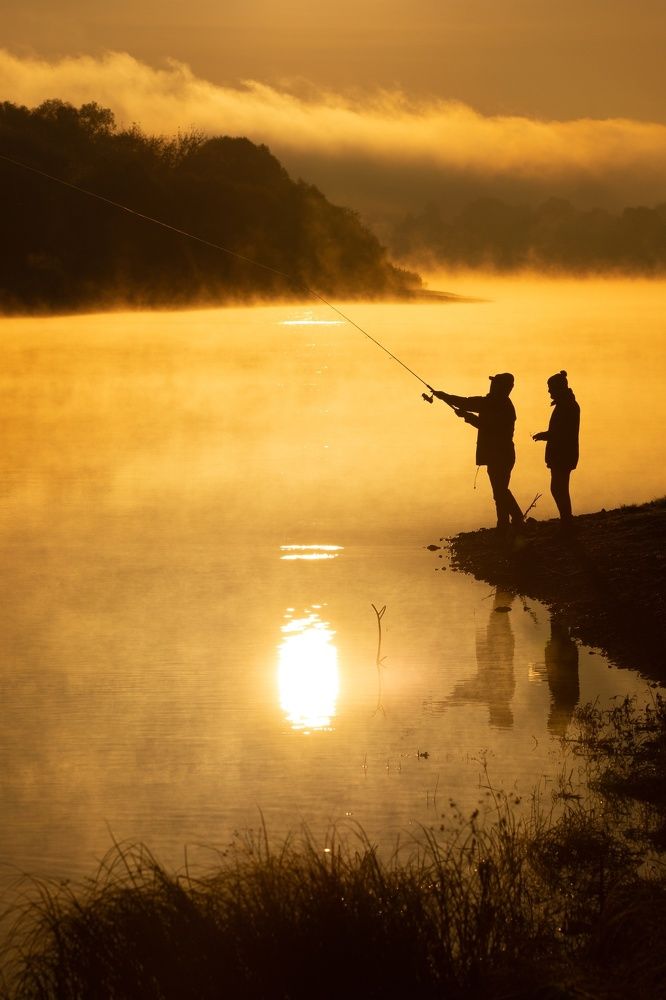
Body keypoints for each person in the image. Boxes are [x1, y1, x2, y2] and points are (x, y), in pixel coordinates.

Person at [430, 373, 523, 531]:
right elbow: (465, 403)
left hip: (502, 454)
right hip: (499, 454)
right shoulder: (491, 402)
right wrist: (443, 396)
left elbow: (489, 426)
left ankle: (515, 519)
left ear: (503, 388)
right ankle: (505, 523)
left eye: (495, 384)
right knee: (499, 491)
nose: (491, 386)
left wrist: (467, 416)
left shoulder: (503, 406)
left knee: (500, 491)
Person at [532, 370, 580, 528]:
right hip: (563, 454)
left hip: (563, 454)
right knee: (559, 488)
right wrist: (546, 435)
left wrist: (544, 436)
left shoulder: (567, 406)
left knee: (559, 488)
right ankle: (566, 520)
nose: (549, 391)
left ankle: (567, 521)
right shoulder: (566, 404)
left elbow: (562, 433)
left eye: (551, 388)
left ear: (559, 388)